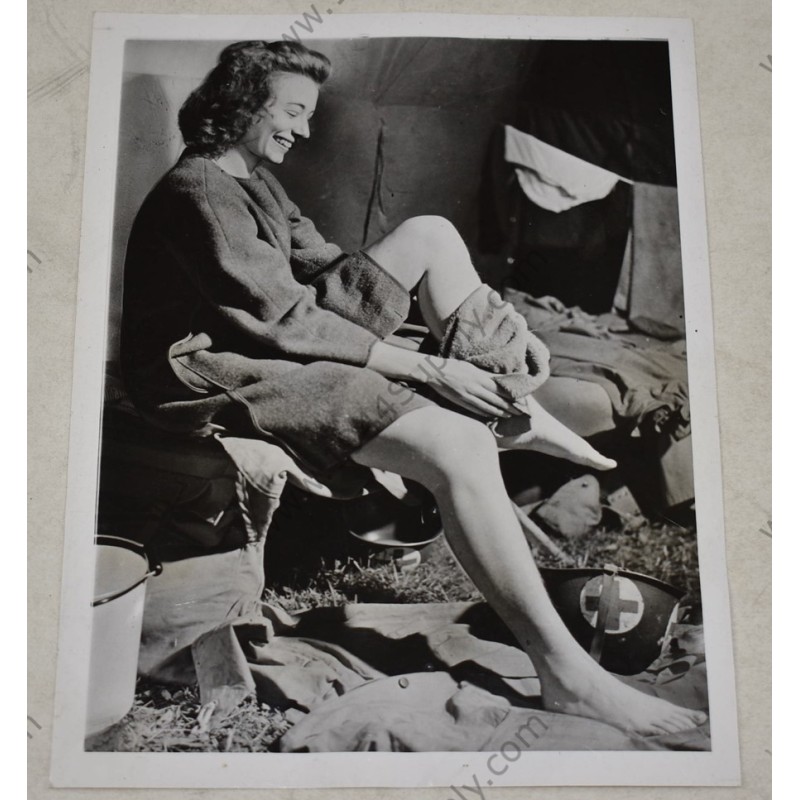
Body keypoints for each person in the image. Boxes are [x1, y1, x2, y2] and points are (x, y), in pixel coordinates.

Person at [120, 40, 706, 736]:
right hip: (207, 366)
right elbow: (283, 321)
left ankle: (513, 396)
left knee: (429, 233)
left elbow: (326, 272)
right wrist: (428, 367)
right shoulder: (200, 192)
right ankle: (567, 675)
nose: (305, 131)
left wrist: (487, 332)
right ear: (243, 104)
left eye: (309, 115)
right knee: (453, 437)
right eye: (293, 113)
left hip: (270, 329)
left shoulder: (254, 179)